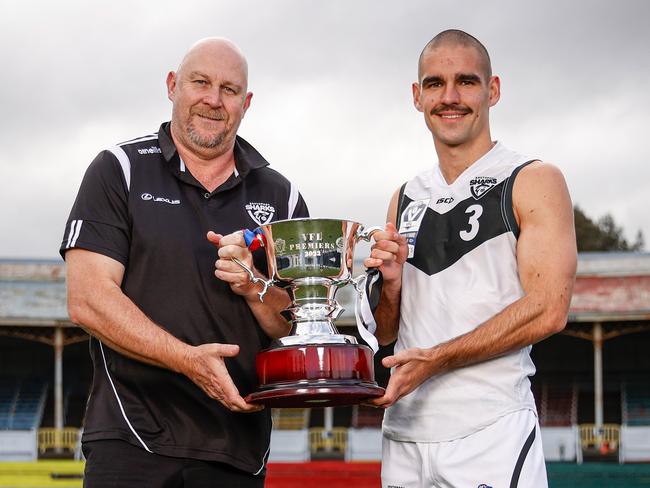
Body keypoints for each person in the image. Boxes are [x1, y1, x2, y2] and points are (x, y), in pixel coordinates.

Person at [60, 38, 308, 487]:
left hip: (237, 446)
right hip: (130, 442)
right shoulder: (119, 169)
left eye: (229, 90)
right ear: (173, 86)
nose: (213, 100)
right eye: (201, 82)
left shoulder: (280, 195)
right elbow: (87, 299)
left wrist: (255, 288)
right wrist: (188, 360)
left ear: (246, 103)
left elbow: (295, 323)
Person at [365, 30, 577, 487]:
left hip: (490, 431)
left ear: (493, 90)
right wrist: (393, 285)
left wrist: (437, 360)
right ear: (417, 96)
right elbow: (386, 333)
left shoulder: (532, 179)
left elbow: (549, 308)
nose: (451, 97)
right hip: (405, 436)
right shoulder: (404, 197)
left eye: (467, 81)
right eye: (436, 84)